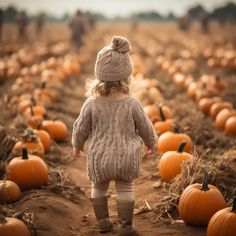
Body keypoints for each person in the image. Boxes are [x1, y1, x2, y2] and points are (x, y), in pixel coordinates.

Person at [72, 36, 157, 235]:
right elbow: (145, 126)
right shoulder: (132, 103)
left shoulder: (91, 104)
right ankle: (126, 225)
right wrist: (151, 142)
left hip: (99, 158)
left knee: (99, 187)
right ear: (126, 76)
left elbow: (80, 128)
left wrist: (77, 146)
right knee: (125, 189)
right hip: (126, 157)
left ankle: (102, 221)